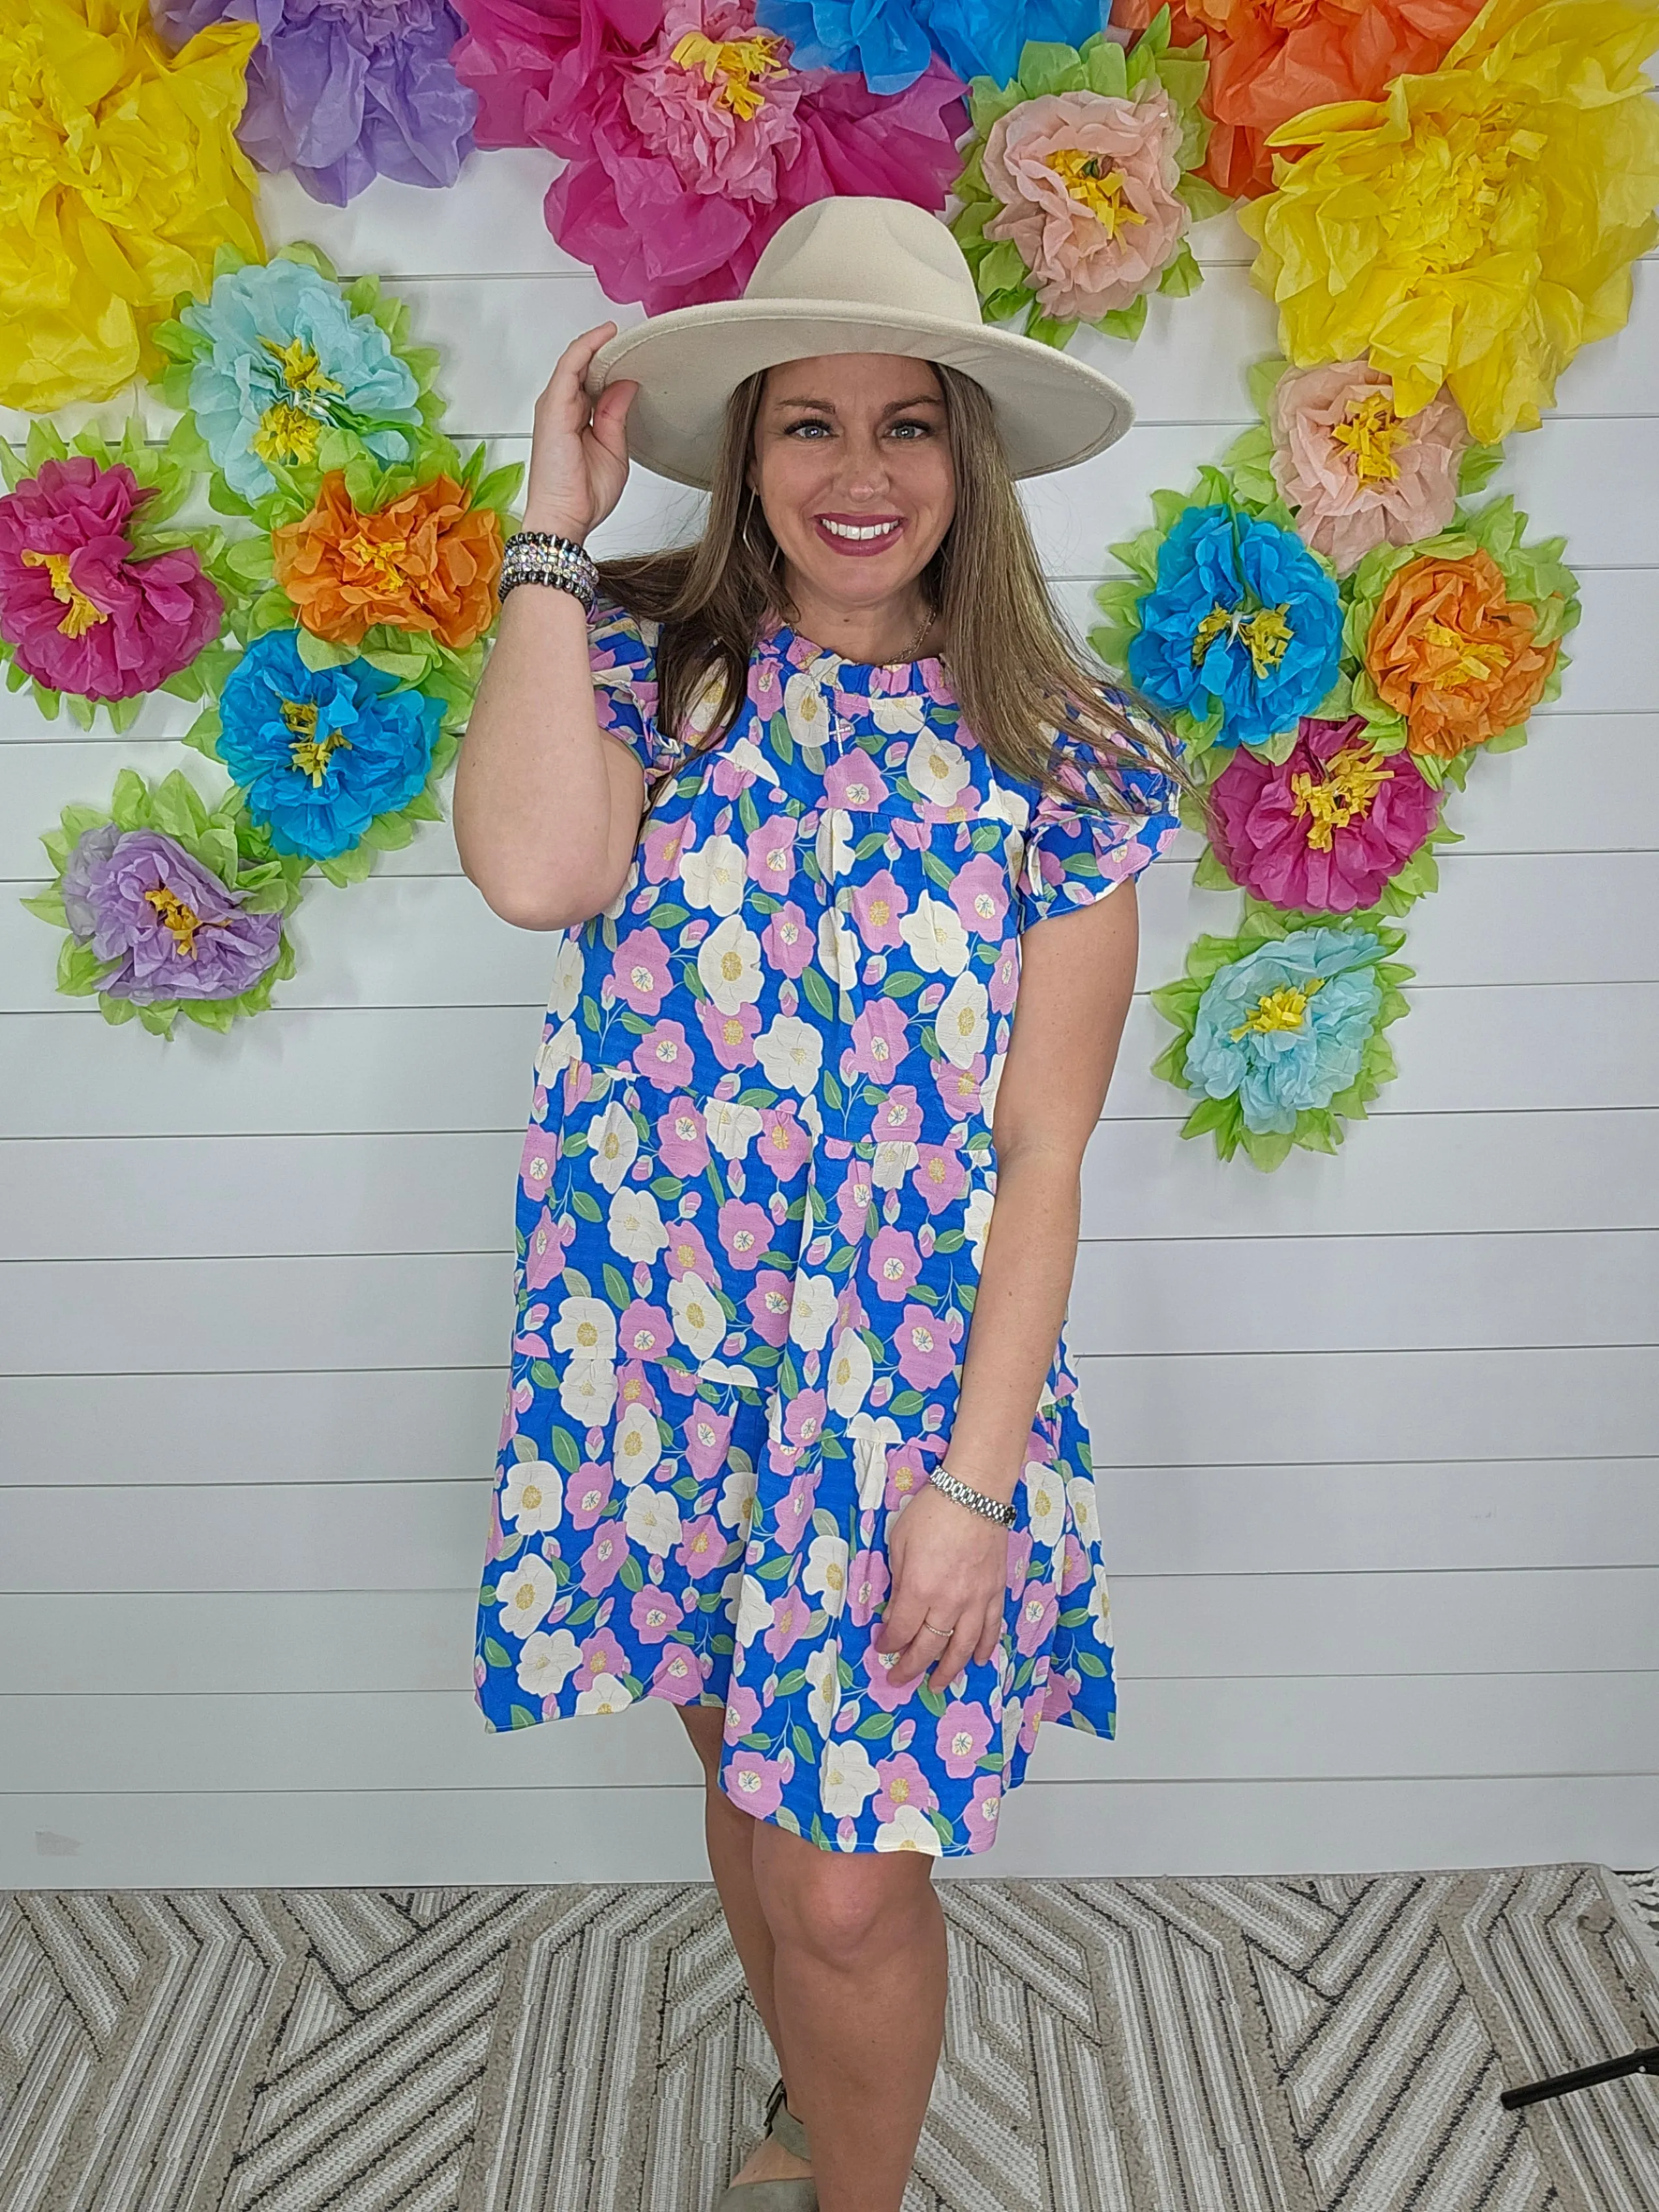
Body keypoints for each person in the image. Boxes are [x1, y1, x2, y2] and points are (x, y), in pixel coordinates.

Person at [455, 197, 1183, 2212]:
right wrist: (553, 523)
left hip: (908, 1408)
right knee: (739, 1783)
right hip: (664, 1365)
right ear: (745, 448)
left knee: (845, 1887)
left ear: (974, 458)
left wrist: (968, 1488)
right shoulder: (633, 670)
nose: (860, 478)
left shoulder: (1070, 756)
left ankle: (854, 2196)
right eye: (807, 426)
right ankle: (806, 2118)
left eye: (908, 426)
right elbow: (532, 872)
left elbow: (1047, 1149)